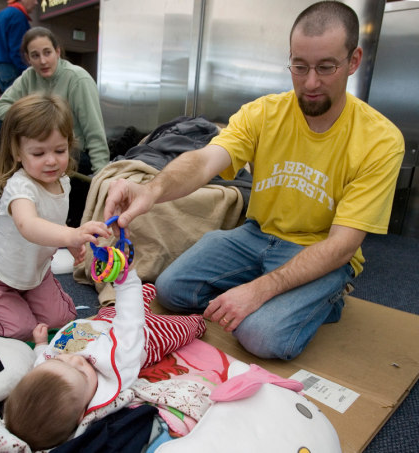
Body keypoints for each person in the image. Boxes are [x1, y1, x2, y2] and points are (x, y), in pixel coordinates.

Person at [103, 1, 405, 361]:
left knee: (261, 336)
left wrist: (259, 291)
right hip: (256, 235)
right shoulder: (263, 113)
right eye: (299, 66)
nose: (310, 82)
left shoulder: (381, 140)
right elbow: (203, 162)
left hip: (319, 249)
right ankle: (281, 292)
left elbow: (342, 245)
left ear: (353, 61)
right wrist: (151, 190)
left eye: (326, 67)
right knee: (171, 291)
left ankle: (328, 296)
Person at [3, 268, 207, 450]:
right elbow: (131, 322)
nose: (76, 360)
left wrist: (40, 345)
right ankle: (197, 322)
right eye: (82, 373)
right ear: (84, 412)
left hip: (102, 323)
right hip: (146, 335)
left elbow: (42, 359)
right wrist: (126, 281)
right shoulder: (116, 367)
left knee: (129, 300)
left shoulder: (49, 371)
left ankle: (144, 292)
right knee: (182, 327)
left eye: (60, 360)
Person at [0, 93, 111, 341]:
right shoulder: (20, 186)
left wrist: (71, 243)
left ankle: (22, 297)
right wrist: (73, 233)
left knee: (61, 320)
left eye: (59, 150)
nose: (51, 161)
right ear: (18, 153)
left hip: (34, 272)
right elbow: (29, 225)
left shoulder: (63, 182)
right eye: (38, 153)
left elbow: (54, 220)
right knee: (20, 331)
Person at [0, 26, 109, 188]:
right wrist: (30, 119)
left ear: (57, 52)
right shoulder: (28, 77)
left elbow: (95, 132)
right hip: (38, 146)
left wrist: (102, 178)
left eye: (47, 53)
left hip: (69, 150)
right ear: (28, 58)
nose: (42, 61)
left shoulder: (78, 79)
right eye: (35, 55)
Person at [0, 0, 37, 92]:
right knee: (21, 103)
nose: (36, 3)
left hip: (0, 69)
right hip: (12, 68)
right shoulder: (18, 16)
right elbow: (18, 50)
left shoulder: (1, 14)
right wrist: (28, 72)